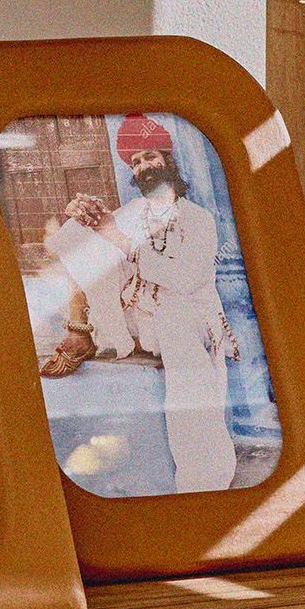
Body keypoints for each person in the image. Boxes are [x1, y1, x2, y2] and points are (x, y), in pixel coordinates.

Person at [35, 114, 240, 493]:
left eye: (149, 157)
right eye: (136, 162)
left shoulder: (198, 219)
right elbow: (72, 249)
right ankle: (92, 334)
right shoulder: (131, 214)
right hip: (137, 321)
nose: (144, 166)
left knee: (182, 348)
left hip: (188, 318)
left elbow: (185, 279)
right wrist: (78, 219)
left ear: (167, 160)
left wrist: (120, 240)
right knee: (82, 239)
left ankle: (201, 483)